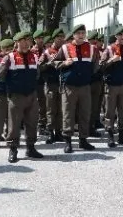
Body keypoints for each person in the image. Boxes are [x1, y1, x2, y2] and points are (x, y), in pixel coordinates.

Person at [0, 31, 44, 163]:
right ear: (17, 42)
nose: (26, 43)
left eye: (28, 40)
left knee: (32, 122)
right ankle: (13, 149)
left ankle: (31, 148)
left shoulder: (34, 56)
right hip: (16, 96)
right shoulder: (9, 57)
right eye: (23, 40)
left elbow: (37, 74)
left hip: (31, 95)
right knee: (14, 124)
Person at [53, 25, 99, 153]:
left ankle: (83, 140)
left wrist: (88, 75)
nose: (80, 35)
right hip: (69, 86)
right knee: (68, 114)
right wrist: (64, 63)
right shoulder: (65, 48)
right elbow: (54, 63)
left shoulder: (91, 48)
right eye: (78, 33)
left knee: (85, 113)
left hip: (84, 86)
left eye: (83, 33)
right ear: (73, 35)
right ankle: (68, 142)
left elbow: (96, 64)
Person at [100, 26, 123, 147]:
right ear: (116, 36)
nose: (122, 37)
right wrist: (111, 61)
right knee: (110, 112)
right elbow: (101, 66)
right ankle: (110, 137)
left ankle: (121, 135)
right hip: (112, 85)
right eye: (120, 35)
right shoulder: (110, 49)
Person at [38, 28, 66, 144]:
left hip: (62, 84)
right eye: (58, 38)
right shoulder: (47, 52)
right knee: (50, 110)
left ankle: (59, 132)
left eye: (62, 38)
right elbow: (39, 67)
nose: (61, 40)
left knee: (60, 110)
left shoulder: (65, 51)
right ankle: (50, 133)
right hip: (50, 84)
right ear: (54, 38)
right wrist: (50, 64)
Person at [31, 30, 49, 136]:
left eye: (42, 38)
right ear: (35, 39)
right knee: (35, 104)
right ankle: (35, 125)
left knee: (44, 104)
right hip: (35, 81)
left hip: (46, 80)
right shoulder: (32, 51)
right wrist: (44, 64)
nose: (41, 40)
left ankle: (42, 125)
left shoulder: (46, 51)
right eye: (38, 38)